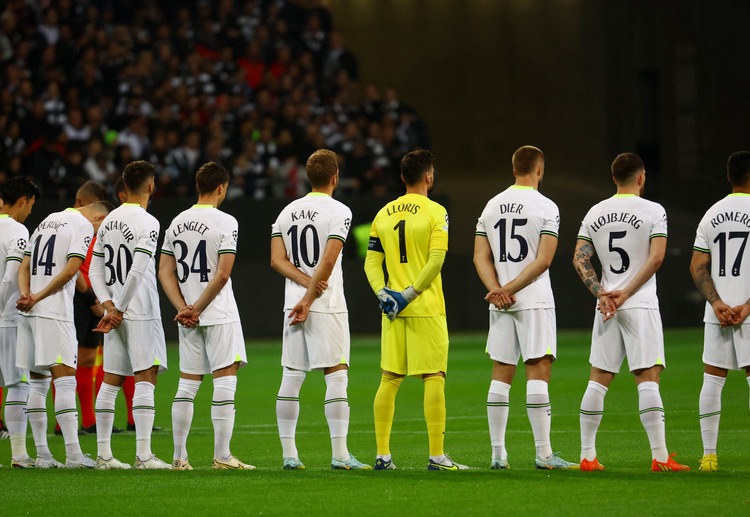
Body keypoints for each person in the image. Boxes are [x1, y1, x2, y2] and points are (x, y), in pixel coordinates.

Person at [573, 152, 689, 472]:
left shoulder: (595, 211)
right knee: (648, 377)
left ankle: (587, 455)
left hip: (606, 305)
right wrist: (626, 293)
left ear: (614, 178)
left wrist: (604, 294)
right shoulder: (653, 210)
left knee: (598, 379)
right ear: (641, 177)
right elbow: (656, 259)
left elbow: (580, 259)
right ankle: (661, 457)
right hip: (638, 301)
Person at [473, 145, 576, 470]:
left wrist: (496, 290)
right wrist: (510, 289)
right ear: (539, 170)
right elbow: (544, 259)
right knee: (538, 369)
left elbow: (480, 256)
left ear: (513, 168)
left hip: (500, 304)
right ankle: (544, 454)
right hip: (532, 300)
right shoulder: (546, 206)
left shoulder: (491, 205)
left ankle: (497, 454)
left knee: (501, 373)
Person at [364, 149, 465, 471]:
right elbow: (436, 260)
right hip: (424, 305)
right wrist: (409, 294)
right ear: (429, 177)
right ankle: (437, 456)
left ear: (402, 177)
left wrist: (384, 295)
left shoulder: (384, 213)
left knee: (390, 378)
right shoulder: (436, 211)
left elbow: (372, 262)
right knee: (433, 376)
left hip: (391, 309)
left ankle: (382, 456)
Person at [273, 149, 370, 470]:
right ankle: (340, 456)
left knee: (291, 375)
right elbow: (328, 260)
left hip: (292, 304)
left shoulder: (286, 212)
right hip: (325, 305)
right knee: (336, 374)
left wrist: (301, 291)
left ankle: (290, 455)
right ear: (334, 177)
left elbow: (276, 260)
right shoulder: (339, 211)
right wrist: (311, 296)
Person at [159, 162, 253, 470]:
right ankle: (222, 456)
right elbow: (223, 274)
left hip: (187, 318)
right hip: (217, 312)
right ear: (222, 188)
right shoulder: (226, 221)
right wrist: (197, 307)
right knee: (225, 379)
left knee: (187, 384)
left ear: (198, 186)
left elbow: (164, 270)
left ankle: (178, 457)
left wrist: (182, 307)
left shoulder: (176, 222)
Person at [16, 198, 112, 468]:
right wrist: (39, 296)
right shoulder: (81, 226)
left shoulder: (46, 221)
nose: (97, 236)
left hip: (29, 313)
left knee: (37, 383)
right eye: (100, 230)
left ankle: (43, 455)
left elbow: (24, 265)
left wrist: (27, 294)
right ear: (98, 219)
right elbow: (72, 270)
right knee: (65, 380)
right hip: (54, 312)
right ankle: (73, 455)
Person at [89, 160, 169, 470]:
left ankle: (104, 456)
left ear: (124, 187)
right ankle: (144, 456)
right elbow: (137, 269)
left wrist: (108, 304)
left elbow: (95, 267)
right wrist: (119, 307)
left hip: (116, 311)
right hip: (139, 309)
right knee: (145, 376)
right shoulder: (148, 222)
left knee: (111, 380)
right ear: (150, 186)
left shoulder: (109, 220)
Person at [690, 151, 750, 472]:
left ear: (730, 176)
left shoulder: (711, 215)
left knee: (712, 380)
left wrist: (716, 303)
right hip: (747, 312)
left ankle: (709, 456)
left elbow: (698, 266)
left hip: (718, 311)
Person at [0, 177, 40, 468]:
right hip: (7, 318)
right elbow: (10, 276)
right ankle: (19, 454)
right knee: (18, 384)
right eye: (30, 205)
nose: (30, 212)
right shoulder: (17, 231)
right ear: (23, 200)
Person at [72, 180, 108, 433]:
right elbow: (74, 269)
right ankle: (87, 421)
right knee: (79, 361)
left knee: (83, 360)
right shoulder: (78, 227)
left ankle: (86, 421)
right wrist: (93, 300)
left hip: (87, 298)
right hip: (82, 299)